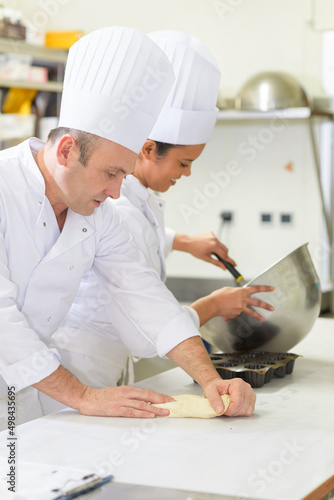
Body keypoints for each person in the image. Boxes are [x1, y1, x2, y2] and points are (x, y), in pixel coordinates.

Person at [0, 26, 256, 430]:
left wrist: (212, 380)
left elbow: (144, 295)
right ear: (67, 151)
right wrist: (82, 396)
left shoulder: (96, 213)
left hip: (29, 397)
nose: (118, 193)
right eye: (112, 172)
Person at [51, 31, 274, 399]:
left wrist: (182, 241)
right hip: (77, 372)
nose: (187, 174)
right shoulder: (111, 204)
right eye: (184, 162)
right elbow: (145, 329)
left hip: (98, 374)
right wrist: (214, 305)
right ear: (147, 148)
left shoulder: (130, 200)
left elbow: (139, 245)